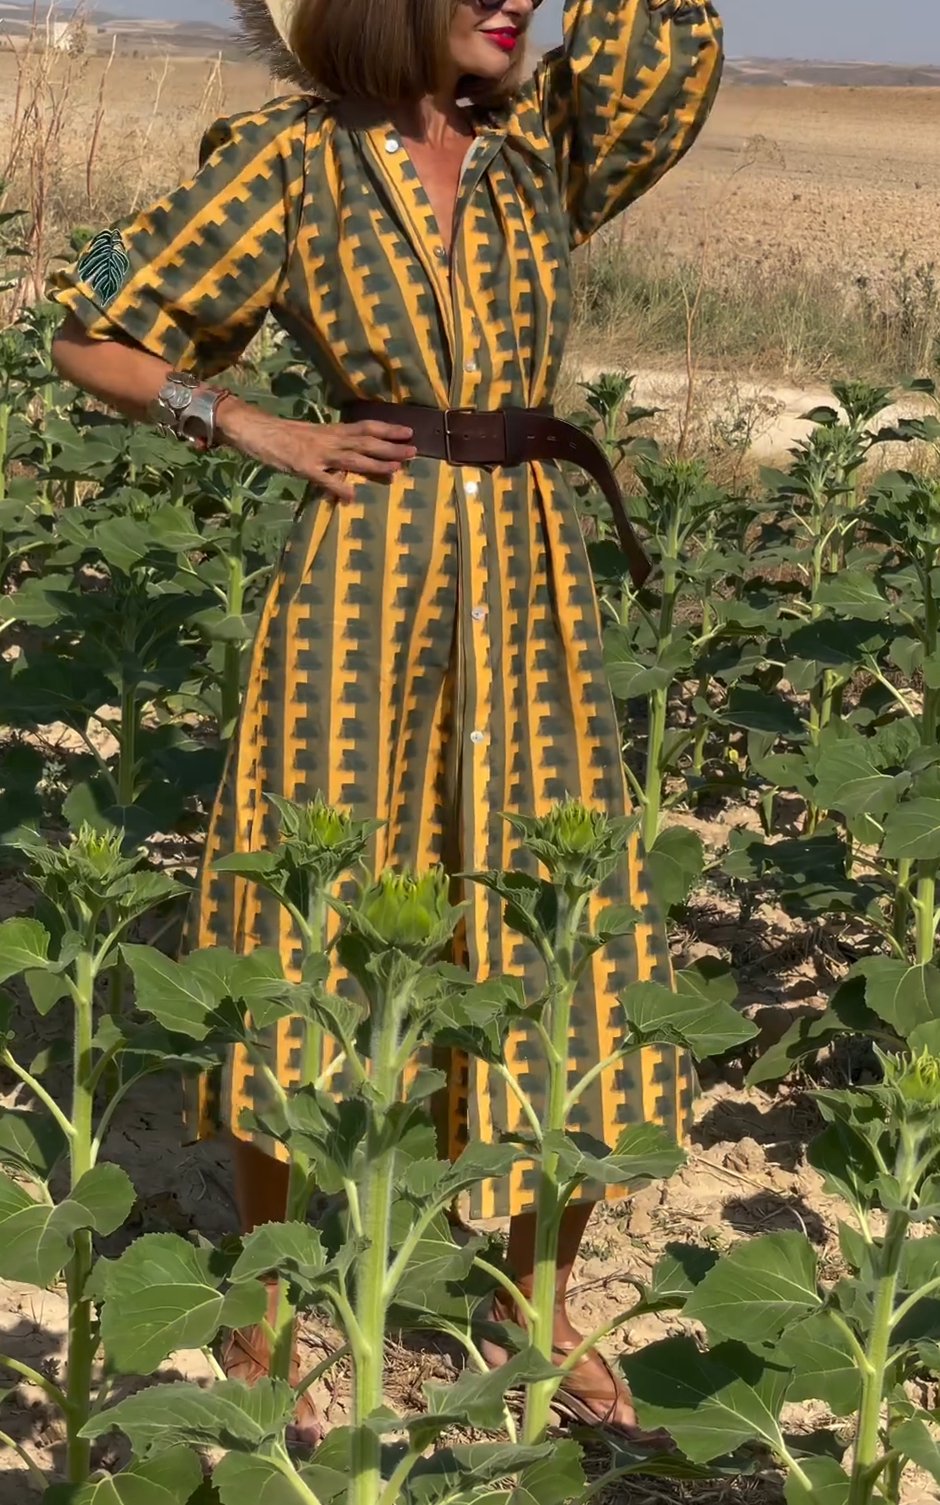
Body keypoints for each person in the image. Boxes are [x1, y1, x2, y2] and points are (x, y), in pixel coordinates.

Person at [50, 0, 723, 1447]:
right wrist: (245, 423)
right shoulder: (288, 161)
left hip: (531, 576)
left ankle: (533, 1309)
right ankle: (268, 1317)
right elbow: (91, 329)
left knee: (565, 926)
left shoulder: (547, 147)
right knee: (312, 911)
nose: (519, 2)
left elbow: (669, 39)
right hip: (364, 576)